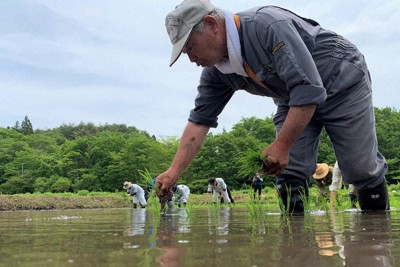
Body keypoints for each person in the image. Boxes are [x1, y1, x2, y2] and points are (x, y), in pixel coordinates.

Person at [157, 0, 390, 213]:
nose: (191, 58)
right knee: (288, 171)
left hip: (341, 78)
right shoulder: (216, 73)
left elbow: (307, 89)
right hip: (293, 98)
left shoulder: (266, 26)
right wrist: (174, 172)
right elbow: (199, 121)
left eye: (190, 47)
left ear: (211, 24)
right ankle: (294, 248)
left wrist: (281, 145)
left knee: (360, 168)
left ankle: (375, 239)